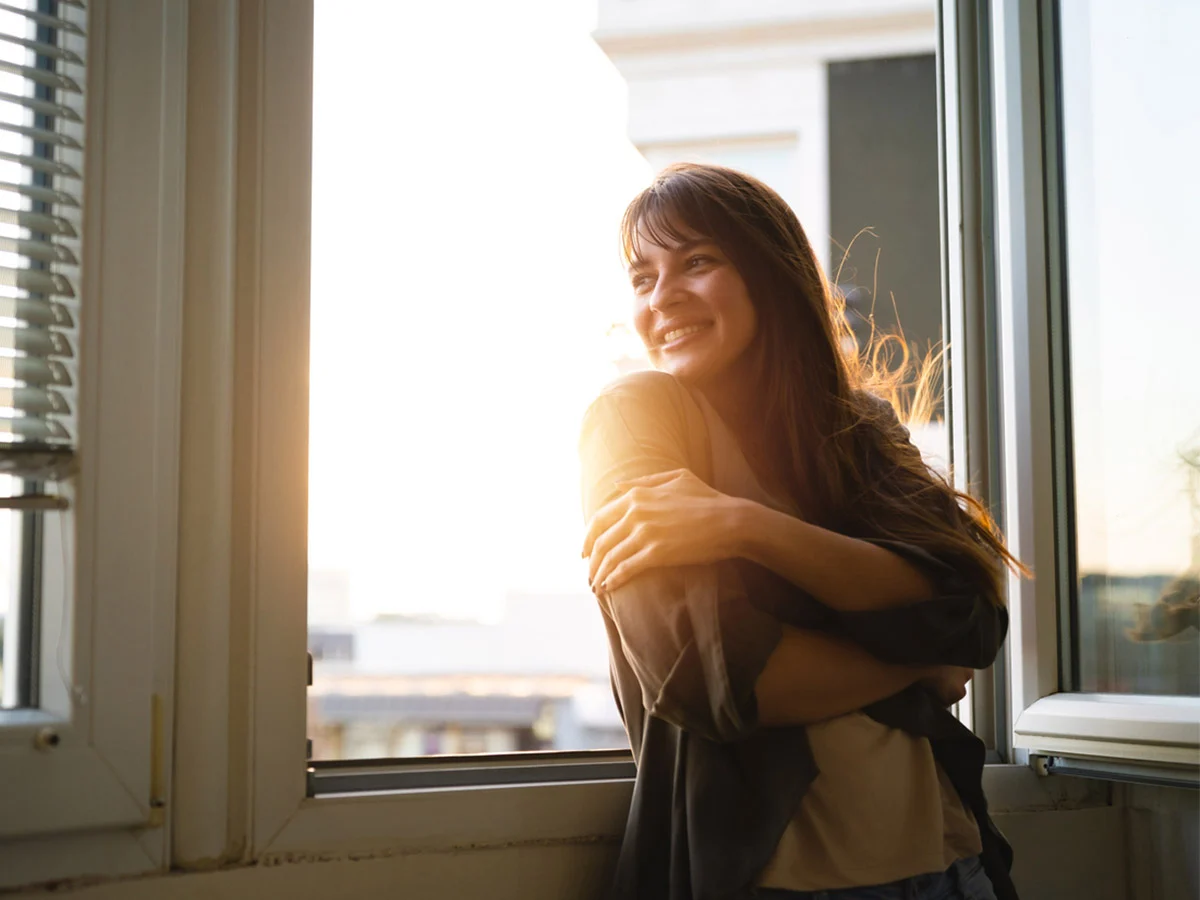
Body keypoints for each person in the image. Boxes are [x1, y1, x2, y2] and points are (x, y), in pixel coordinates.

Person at [578, 163, 1025, 900]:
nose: (664, 297)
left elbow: (974, 613)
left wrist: (744, 526)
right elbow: (719, 683)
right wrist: (916, 658)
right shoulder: (635, 418)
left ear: (770, 272)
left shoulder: (862, 429)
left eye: (697, 261)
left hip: (954, 869)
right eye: (643, 277)